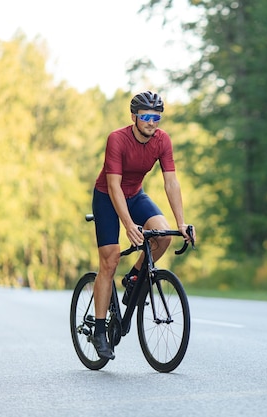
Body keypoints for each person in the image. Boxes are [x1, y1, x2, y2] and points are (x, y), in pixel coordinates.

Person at [90, 91, 195, 360]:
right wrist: (128, 225)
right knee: (110, 260)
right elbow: (113, 186)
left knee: (163, 234)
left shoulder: (162, 141)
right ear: (134, 117)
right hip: (107, 197)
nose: (152, 122)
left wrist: (181, 223)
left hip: (136, 195)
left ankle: (134, 277)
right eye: (146, 116)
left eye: (156, 117)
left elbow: (171, 182)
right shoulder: (117, 139)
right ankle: (100, 331)